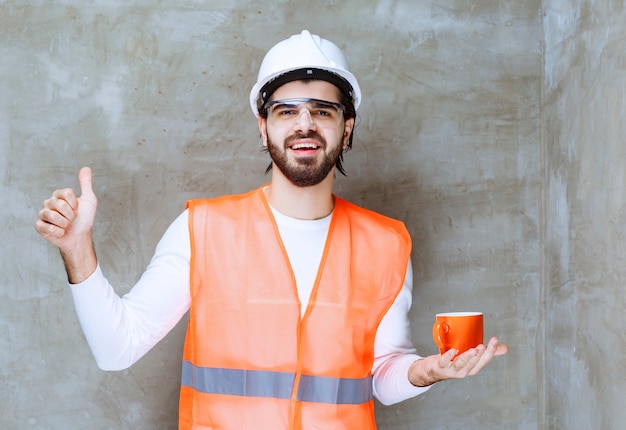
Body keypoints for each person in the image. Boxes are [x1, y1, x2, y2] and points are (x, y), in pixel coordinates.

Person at [35, 30, 507, 429]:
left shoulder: (386, 244)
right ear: (264, 128)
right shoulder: (203, 230)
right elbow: (117, 350)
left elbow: (381, 377)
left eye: (323, 110)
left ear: (347, 128)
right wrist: (78, 249)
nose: (305, 124)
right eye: (286, 111)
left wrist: (425, 371)